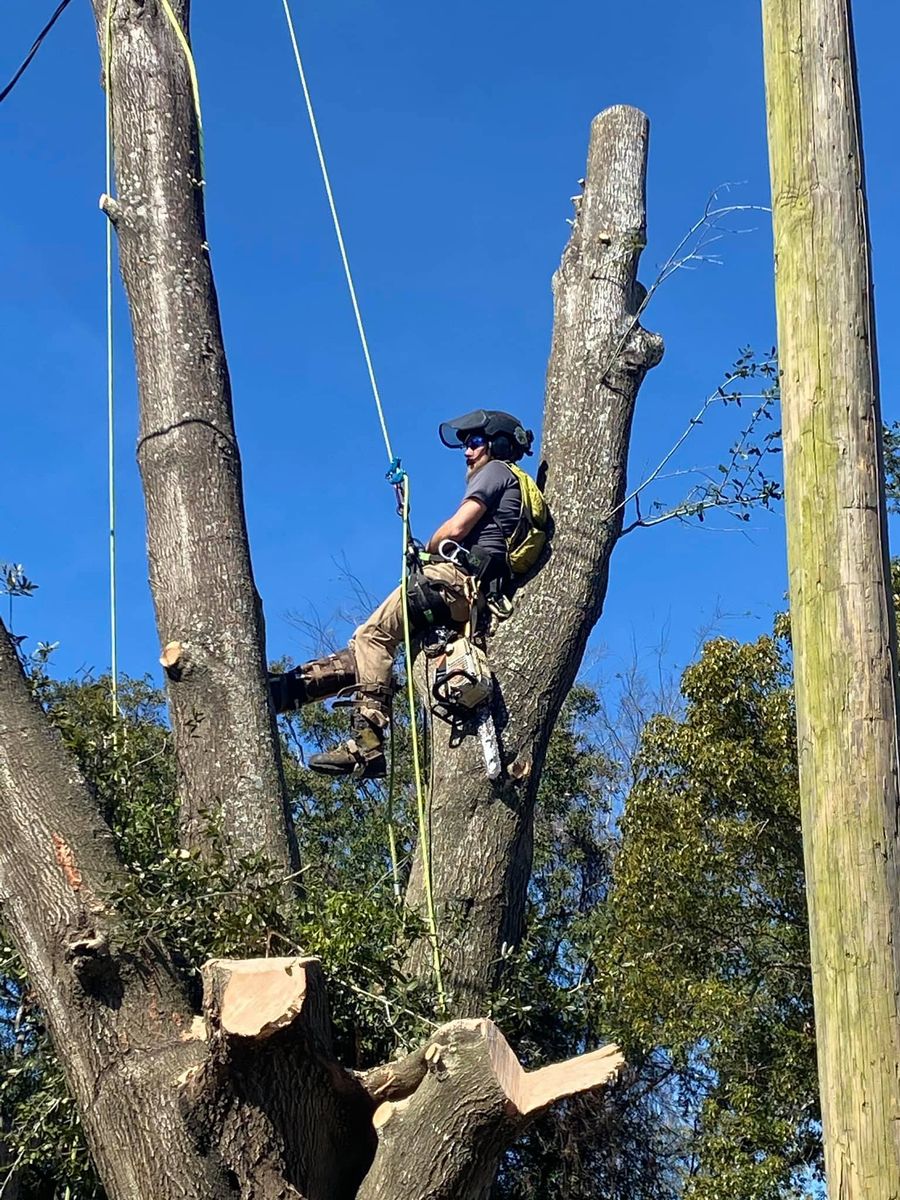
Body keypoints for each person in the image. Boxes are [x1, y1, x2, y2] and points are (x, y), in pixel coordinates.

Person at [269, 410, 535, 779]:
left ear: (499, 444)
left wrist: (430, 547)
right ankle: (284, 691)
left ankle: (367, 743)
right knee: (368, 651)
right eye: (465, 445)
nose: (467, 452)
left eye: (474, 443)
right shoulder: (516, 486)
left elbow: (456, 529)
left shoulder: (496, 472)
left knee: (372, 635)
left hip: (454, 581)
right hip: (467, 595)